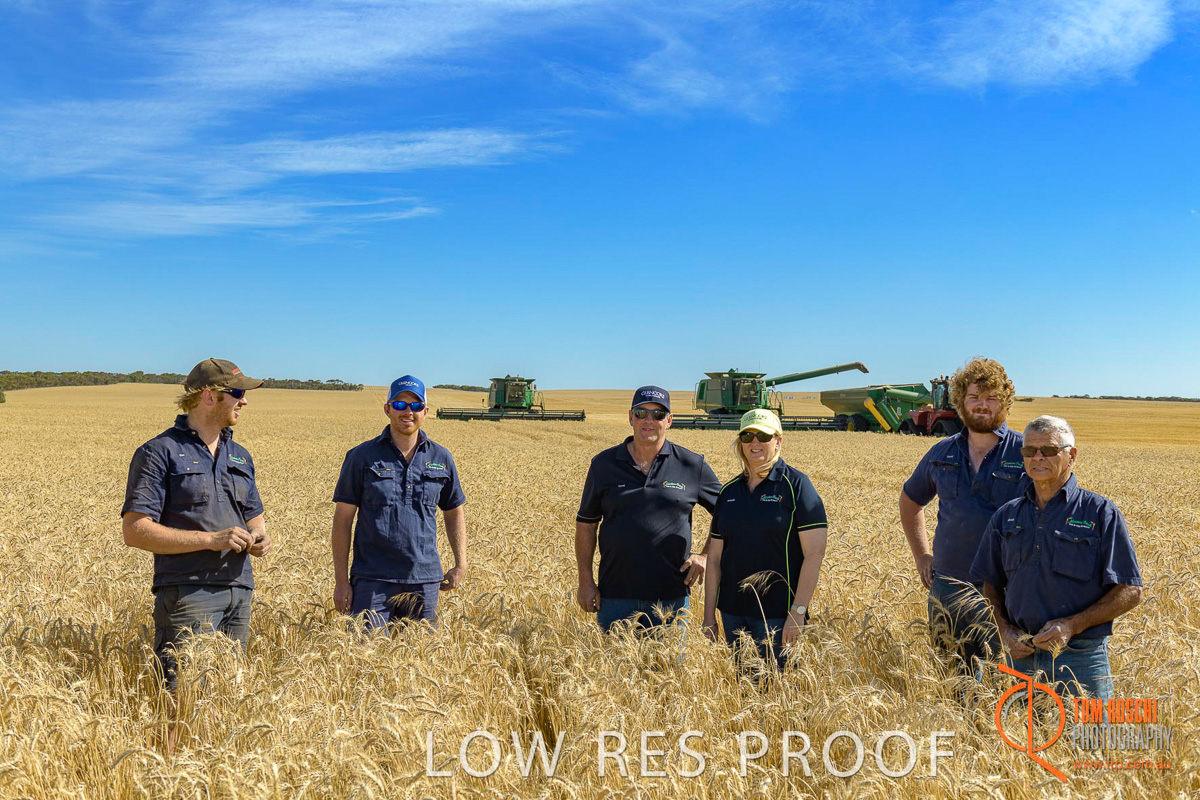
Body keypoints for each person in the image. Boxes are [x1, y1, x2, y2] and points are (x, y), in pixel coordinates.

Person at [121, 358, 273, 693]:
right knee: (183, 694)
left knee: (228, 694)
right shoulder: (159, 452)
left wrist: (260, 537)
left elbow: (254, 515)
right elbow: (135, 530)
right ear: (209, 396)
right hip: (189, 592)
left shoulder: (240, 455)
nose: (245, 401)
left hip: (240, 590)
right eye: (237, 393)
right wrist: (211, 539)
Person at [972, 416, 1143, 700]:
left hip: (1080, 659)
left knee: (1088, 730)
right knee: (1017, 729)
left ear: (1071, 455)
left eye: (1049, 450)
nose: (1038, 457)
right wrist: (1003, 630)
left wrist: (1072, 625)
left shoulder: (1100, 513)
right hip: (1020, 657)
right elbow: (989, 584)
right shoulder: (1006, 515)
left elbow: (1131, 590)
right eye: (1029, 451)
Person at [899, 357, 1028, 676]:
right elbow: (911, 501)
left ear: (1005, 403)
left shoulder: (1026, 453)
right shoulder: (941, 452)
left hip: (1007, 592)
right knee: (951, 680)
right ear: (960, 401)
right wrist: (922, 555)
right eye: (974, 397)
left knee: (1004, 682)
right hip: (948, 587)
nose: (982, 405)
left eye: (991, 398)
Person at [575, 386, 721, 632]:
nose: (649, 420)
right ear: (630, 417)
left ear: (669, 420)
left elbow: (728, 513)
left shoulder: (691, 465)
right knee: (612, 658)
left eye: (658, 414)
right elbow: (586, 524)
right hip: (614, 595)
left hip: (672, 598)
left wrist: (706, 556)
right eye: (641, 413)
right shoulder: (603, 464)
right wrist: (585, 581)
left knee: (670, 659)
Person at [332, 375, 466, 630]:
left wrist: (461, 564)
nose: (408, 412)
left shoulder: (441, 457)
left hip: (424, 580)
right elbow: (342, 519)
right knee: (366, 651)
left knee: (421, 651)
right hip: (372, 579)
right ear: (387, 409)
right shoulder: (361, 456)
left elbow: (454, 512)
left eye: (415, 406)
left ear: (425, 412)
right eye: (400, 405)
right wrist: (341, 580)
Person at [702, 409, 828, 668]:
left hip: (778, 616)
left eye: (763, 436)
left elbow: (814, 554)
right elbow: (714, 558)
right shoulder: (728, 492)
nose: (754, 442)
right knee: (742, 685)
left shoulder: (797, 486)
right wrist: (708, 617)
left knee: (781, 687)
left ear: (778, 441)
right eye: (747, 436)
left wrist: (798, 612)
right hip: (732, 614)